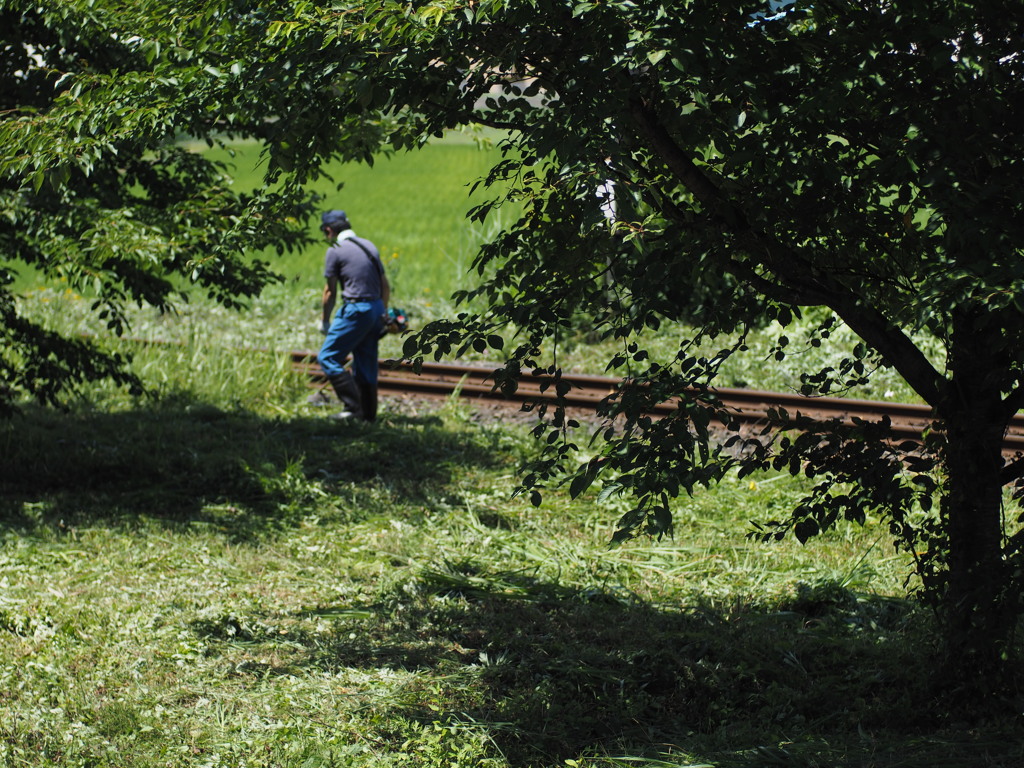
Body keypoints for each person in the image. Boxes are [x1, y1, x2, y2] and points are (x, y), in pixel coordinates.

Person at [314, 209, 390, 421]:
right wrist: (381, 314)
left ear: (328, 230)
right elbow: (385, 286)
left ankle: (352, 408)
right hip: (376, 308)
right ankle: (367, 416)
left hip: (356, 310)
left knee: (327, 357)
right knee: (365, 363)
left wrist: (325, 321)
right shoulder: (369, 245)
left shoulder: (335, 250)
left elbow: (329, 291)